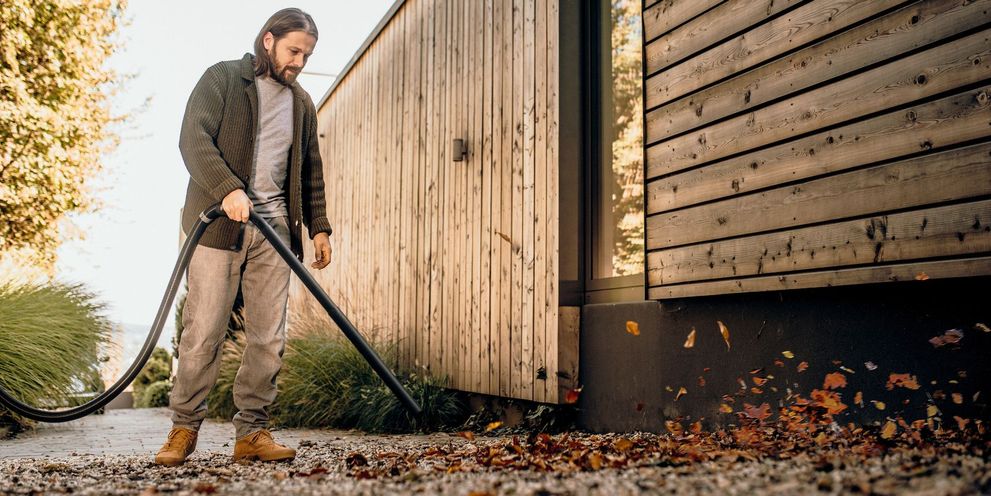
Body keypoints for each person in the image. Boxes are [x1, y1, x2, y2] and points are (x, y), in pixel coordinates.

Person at [156, 8, 333, 466]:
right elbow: (193, 140)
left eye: (307, 55)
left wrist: (319, 228)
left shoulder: (302, 104)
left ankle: (252, 432)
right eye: (294, 50)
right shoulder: (222, 79)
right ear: (269, 40)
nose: (299, 62)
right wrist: (228, 189)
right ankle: (183, 430)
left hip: (276, 233)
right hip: (218, 228)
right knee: (203, 332)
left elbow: (310, 169)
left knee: (267, 338)